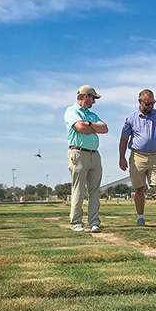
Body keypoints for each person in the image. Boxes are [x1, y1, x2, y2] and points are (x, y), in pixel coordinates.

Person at [119, 89, 156, 227]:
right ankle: (140, 218)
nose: (150, 106)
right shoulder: (131, 118)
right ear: (140, 101)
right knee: (139, 188)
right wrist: (122, 157)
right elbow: (124, 139)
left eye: (152, 103)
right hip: (137, 156)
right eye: (147, 104)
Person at [64, 85, 108, 232]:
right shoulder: (71, 111)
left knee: (95, 190)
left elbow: (105, 128)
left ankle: (94, 222)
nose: (94, 102)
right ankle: (77, 222)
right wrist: (92, 127)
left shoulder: (91, 115)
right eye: (93, 98)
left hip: (94, 155)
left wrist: (89, 124)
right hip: (78, 153)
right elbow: (80, 128)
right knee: (79, 189)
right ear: (85, 96)